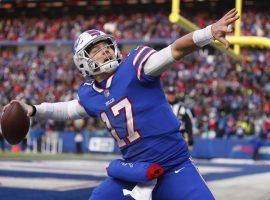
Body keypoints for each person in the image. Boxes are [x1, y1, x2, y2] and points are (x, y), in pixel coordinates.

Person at [3, 9, 239, 200]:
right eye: (95, 50)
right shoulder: (90, 93)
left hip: (174, 164)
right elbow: (68, 109)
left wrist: (208, 32)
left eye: (106, 45)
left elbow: (175, 49)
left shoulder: (137, 66)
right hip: (133, 170)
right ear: (83, 62)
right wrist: (32, 109)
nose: (104, 51)